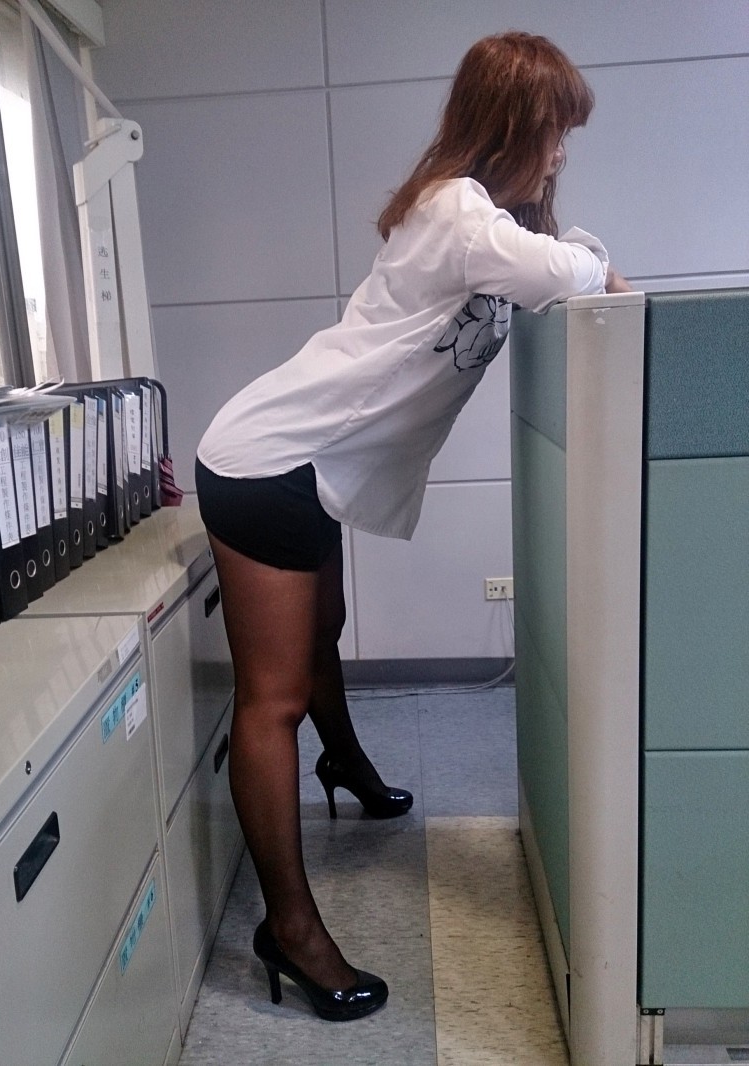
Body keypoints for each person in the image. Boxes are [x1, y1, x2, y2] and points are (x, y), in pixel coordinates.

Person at [195, 30, 630, 1022]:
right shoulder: (456, 212)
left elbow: (551, 264)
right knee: (272, 699)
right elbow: (571, 274)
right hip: (267, 464)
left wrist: (573, 246)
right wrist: (601, 263)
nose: (562, 151)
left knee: (324, 632)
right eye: (554, 130)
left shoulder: (476, 218)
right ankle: (290, 929)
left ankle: (345, 763)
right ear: (511, 125)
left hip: (309, 463)